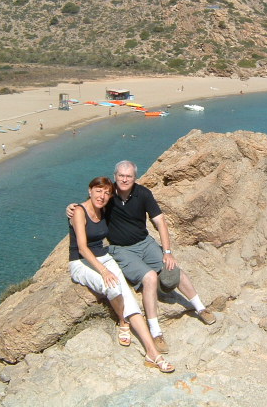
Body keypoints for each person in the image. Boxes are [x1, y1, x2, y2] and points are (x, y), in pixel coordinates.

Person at [67, 160, 215, 354]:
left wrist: (167, 252)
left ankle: (200, 307)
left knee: (172, 269)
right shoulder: (109, 195)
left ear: (135, 178)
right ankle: (156, 331)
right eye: (121, 175)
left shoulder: (143, 193)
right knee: (150, 278)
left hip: (145, 243)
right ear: (115, 176)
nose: (124, 179)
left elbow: (160, 222)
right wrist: (71, 208)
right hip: (121, 249)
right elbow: (91, 204)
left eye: (129, 176)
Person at [69, 176, 174, 373]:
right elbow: (82, 248)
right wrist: (104, 271)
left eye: (107, 193)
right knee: (112, 287)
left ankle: (152, 353)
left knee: (130, 301)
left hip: (104, 257)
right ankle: (123, 320)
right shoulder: (78, 211)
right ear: (90, 190)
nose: (102, 196)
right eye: (98, 191)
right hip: (81, 262)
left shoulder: (103, 209)